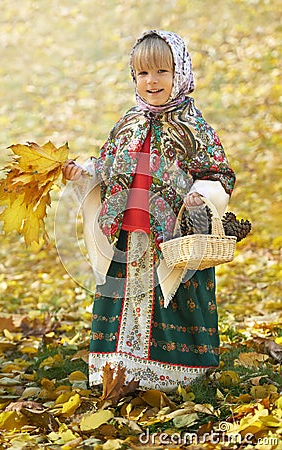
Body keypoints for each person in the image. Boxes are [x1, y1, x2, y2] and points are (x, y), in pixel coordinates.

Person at [62, 30, 235, 392]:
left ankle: (176, 374)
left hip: (171, 237)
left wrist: (200, 197)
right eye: (142, 73)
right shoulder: (129, 124)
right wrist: (84, 173)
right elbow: (107, 169)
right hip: (127, 231)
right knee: (120, 296)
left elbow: (217, 173)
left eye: (161, 71)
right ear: (133, 77)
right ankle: (119, 370)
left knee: (172, 299)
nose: (151, 81)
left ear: (180, 73)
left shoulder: (193, 127)